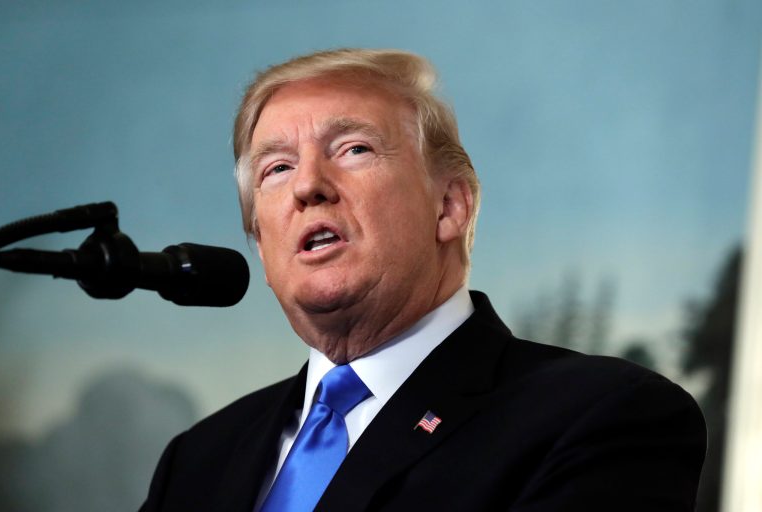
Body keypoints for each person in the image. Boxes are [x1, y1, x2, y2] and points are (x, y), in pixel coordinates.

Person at [140, 49, 706, 511]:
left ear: (449, 206)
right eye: (277, 168)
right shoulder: (198, 460)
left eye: (353, 149)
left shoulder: (600, 416)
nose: (308, 185)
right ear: (262, 246)